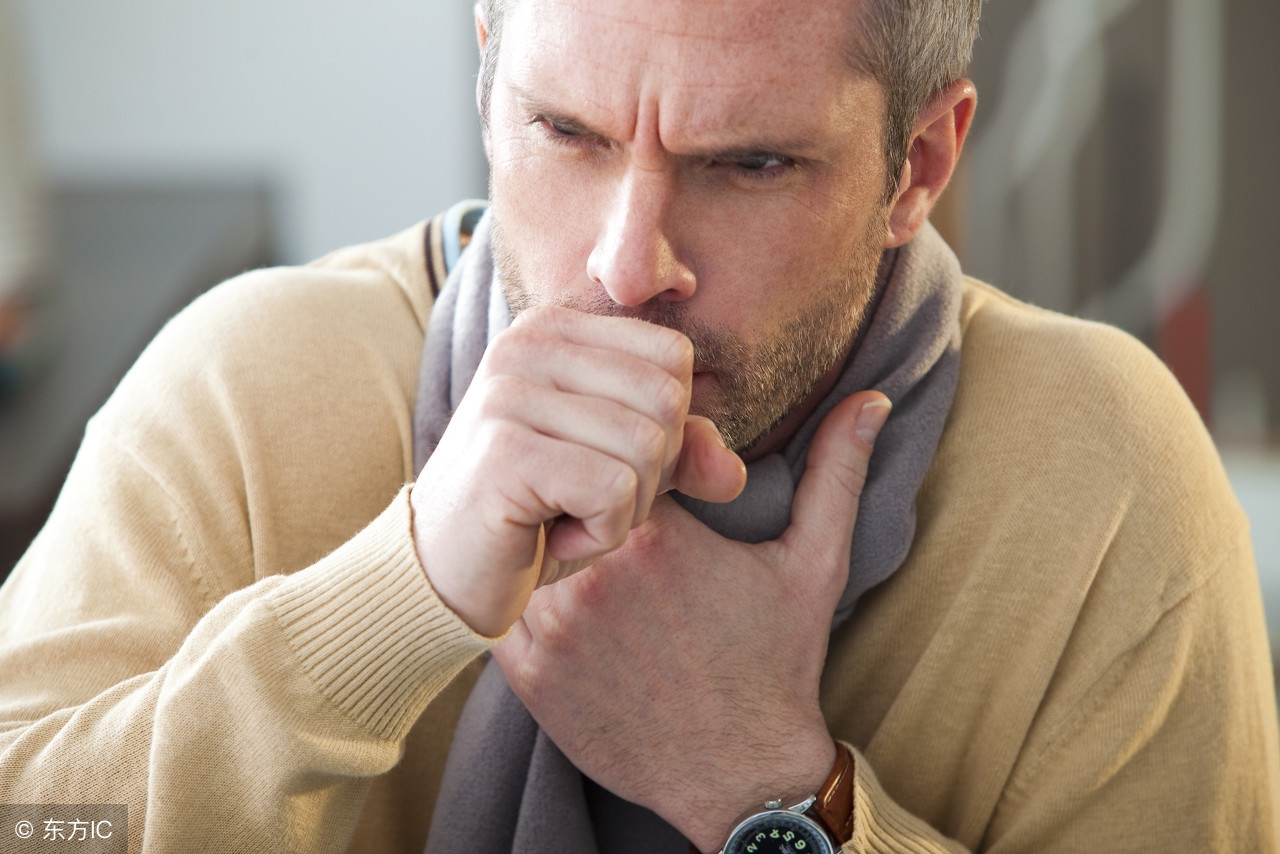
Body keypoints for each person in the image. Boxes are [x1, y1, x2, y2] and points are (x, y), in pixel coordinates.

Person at [0, 0, 1276, 851]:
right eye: (566, 132)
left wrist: (764, 789)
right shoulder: (252, 385)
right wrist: (403, 595)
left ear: (920, 165)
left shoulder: (1102, 479)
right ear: (489, 76)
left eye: (749, 165)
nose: (626, 266)